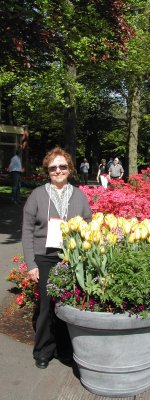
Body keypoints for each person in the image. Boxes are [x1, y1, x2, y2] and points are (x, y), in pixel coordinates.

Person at [22, 147, 91, 369]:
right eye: (53, 168)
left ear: (70, 169)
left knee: (68, 305)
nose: (58, 170)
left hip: (70, 258)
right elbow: (27, 231)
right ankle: (43, 351)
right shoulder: (37, 196)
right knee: (46, 305)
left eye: (62, 166)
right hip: (44, 257)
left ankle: (65, 350)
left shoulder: (79, 196)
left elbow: (88, 226)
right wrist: (31, 264)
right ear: (47, 171)